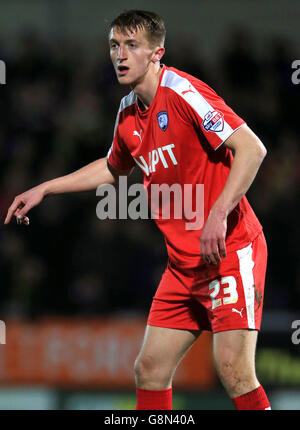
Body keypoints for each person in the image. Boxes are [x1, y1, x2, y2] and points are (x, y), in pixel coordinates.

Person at [4, 10, 270, 410]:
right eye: (114, 45)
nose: (120, 55)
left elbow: (252, 148)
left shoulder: (182, 92)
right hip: (183, 266)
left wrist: (218, 213)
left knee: (233, 370)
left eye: (132, 46)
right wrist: (46, 188)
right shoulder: (128, 112)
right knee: (149, 369)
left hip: (229, 252)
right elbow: (113, 167)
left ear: (156, 53)